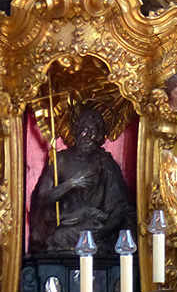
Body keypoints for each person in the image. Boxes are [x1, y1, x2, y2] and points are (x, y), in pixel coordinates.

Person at [28, 107, 136, 257]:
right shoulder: (60, 160)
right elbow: (42, 197)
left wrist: (105, 228)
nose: (88, 135)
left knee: (98, 240)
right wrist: (72, 183)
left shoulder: (105, 163)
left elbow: (120, 206)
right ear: (77, 131)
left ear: (99, 136)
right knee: (59, 238)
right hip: (65, 227)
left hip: (95, 228)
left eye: (93, 131)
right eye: (85, 129)